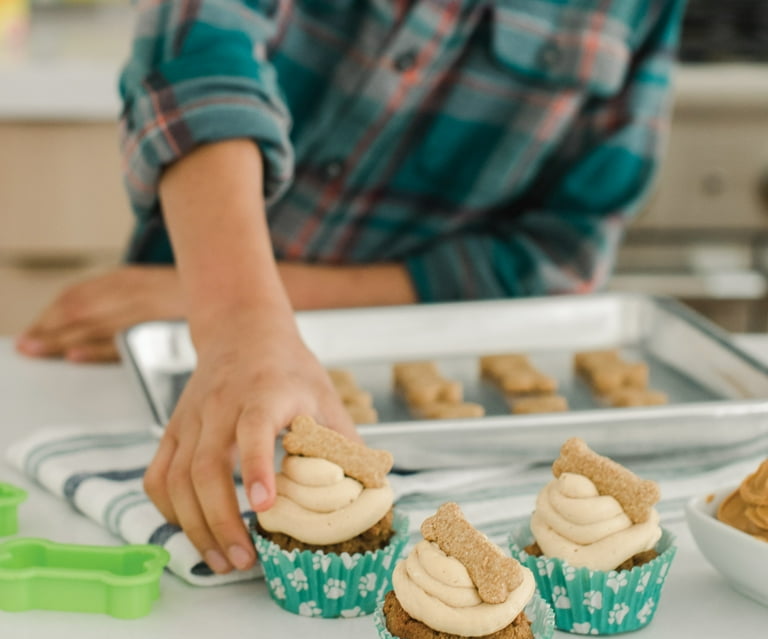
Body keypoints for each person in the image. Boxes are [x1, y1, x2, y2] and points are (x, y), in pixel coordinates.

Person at [16, 0, 686, 574]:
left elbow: (560, 251)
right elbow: (198, 50)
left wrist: (257, 313)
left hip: (214, 309)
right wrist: (233, 311)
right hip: (183, 338)